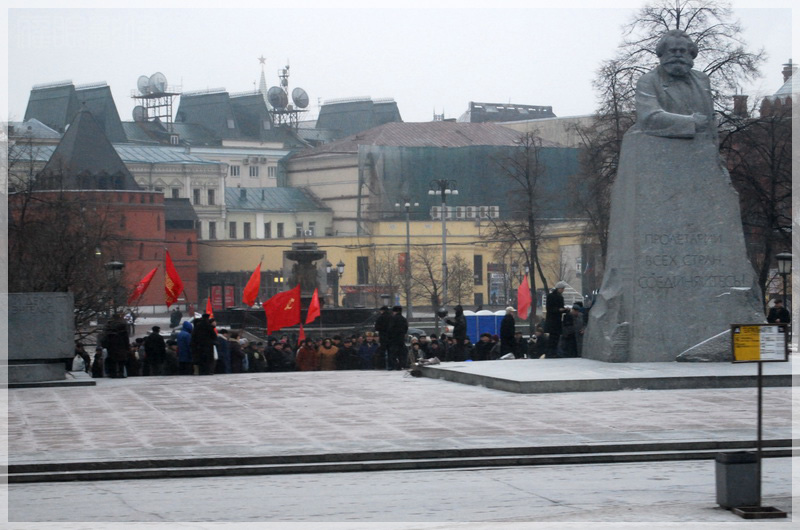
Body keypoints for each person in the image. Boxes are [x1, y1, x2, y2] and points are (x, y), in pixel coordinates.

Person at [635, 29, 715, 141]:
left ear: (691, 54)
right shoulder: (648, 80)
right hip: (662, 150)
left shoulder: (702, 80)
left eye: (682, 51)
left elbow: (711, 121)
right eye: (672, 51)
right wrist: (691, 123)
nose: (678, 55)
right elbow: (649, 119)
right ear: (662, 54)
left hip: (702, 150)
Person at [101, 312, 129, 378]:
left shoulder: (108, 325)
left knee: (112, 360)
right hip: (121, 345)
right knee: (121, 361)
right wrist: (127, 347)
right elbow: (126, 338)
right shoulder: (122, 325)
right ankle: (121, 373)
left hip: (111, 346)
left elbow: (104, 336)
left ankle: (113, 374)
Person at [545, 281, 569, 357]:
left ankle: (552, 352)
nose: (563, 290)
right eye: (562, 289)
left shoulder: (559, 297)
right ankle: (551, 352)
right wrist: (559, 310)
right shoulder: (551, 296)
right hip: (553, 321)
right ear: (559, 288)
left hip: (556, 320)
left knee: (555, 337)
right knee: (553, 337)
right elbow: (549, 309)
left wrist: (564, 310)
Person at [386, 305, 408, 370]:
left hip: (393, 339)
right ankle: (401, 365)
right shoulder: (404, 319)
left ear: (395, 311)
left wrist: (389, 337)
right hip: (401, 339)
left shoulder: (393, 319)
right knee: (401, 353)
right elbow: (406, 329)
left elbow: (390, 329)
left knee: (393, 354)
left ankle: (394, 366)